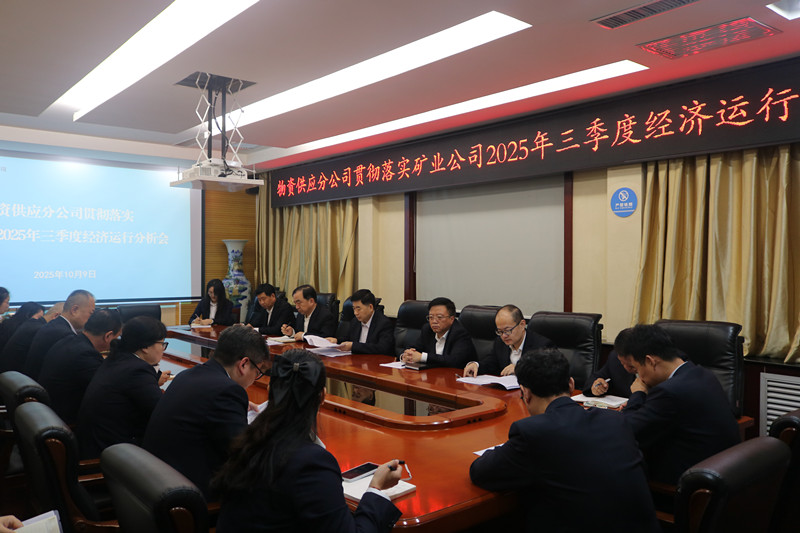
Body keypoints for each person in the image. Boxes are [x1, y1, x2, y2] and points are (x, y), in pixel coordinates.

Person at [470, 348, 659, 532]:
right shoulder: (616, 420)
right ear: (570, 384)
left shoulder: (533, 432)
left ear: (525, 393)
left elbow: (481, 472)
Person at [213, 349, 402, 532]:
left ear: (270, 390)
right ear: (322, 396)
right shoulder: (311, 463)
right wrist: (376, 489)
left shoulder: (247, 438)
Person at [143, 325, 270, 499]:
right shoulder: (227, 391)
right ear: (244, 364)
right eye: (257, 372)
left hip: (156, 481)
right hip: (189, 496)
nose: (255, 379)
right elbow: (243, 455)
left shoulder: (188, 375)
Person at [620, 323, 740, 485]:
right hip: (723, 471)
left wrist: (638, 394)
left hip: (687, 483)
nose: (639, 376)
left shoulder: (668, 392)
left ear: (650, 361)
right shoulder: (702, 373)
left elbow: (627, 431)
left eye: (637, 368)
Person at [78, 316, 169, 458]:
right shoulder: (137, 370)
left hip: (96, 444)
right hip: (114, 454)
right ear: (145, 346)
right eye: (162, 344)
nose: (163, 349)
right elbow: (162, 413)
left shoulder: (117, 359)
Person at [38, 309, 122, 426]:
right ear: (108, 336)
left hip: (48, 413)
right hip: (66, 422)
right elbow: (108, 393)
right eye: (117, 337)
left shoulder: (68, 340)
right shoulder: (87, 355)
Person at [463, 305, 554, 377]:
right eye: (500, 331)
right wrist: (476, 365)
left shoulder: (542, 345)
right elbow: (490, 363)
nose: (504, 336)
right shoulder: (500, 342)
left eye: (507, 330)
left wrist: (520, 369)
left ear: (522, 325)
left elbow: (547, 373)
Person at [25, 289, 95, 380]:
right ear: (74, 310)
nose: (91, 318)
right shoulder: (65, 335)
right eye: (91, 313)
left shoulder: (54, 325)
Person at [400, 297, 476, 369]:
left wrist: (423, 357)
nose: (434, 321)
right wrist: (407, 355)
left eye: (439, 317)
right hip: (433, 374)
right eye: (431, 317)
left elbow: (454, 361)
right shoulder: (427, 329)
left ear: (451, 319)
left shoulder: (460, 333)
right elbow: (415, 347)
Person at [0, 303, 63, 373]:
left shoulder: (31, 323)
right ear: (56, 316)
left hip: (9, 372)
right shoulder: (41, 329)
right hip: (17, 373)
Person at [327, 289, 394, 355]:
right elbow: (348, 339)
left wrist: (353, 346)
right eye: (354, 308)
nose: (355, 313)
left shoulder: (384, 323)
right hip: (356, 359)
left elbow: (382, 348)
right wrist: (336, 341)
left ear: (370, 307)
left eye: (358, 309)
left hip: (373, 360)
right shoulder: (355, 321)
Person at [582, 327, 637, 398]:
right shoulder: (615, 358)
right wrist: (596, 386)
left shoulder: (651, 371)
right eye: (623, 363)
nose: (626, 368)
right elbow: (595, 378)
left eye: (631, 366)